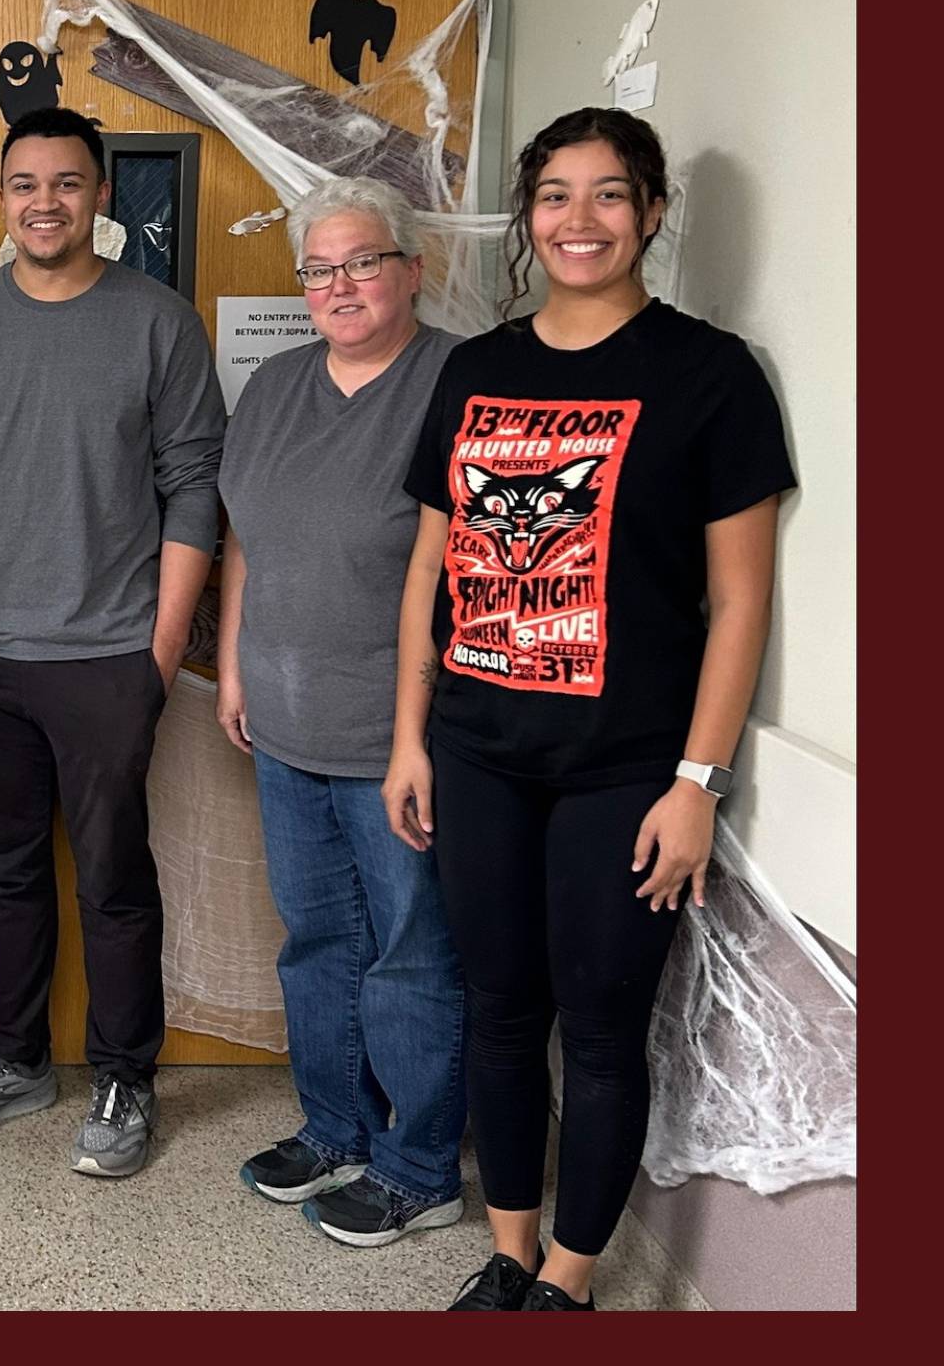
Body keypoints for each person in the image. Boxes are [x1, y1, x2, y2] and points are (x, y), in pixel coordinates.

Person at [386, 108, 794, 1311]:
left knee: (602, 1029)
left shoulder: (707, 375)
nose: (577, 221)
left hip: (625, 769)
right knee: (500, 1012)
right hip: (474, 752)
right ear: (527, 218)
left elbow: (737, 604)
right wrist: (407, 739)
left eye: (608, 195)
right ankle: (508, 1255)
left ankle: (568, 1280)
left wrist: (696, 785)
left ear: (651, 214)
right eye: (553, 196)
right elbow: (429, 571)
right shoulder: (477, 367)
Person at [0, 106, 226, 1177]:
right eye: (23, 184)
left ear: (100, 197)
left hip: (107, 654)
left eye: (65, 183)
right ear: (2, 200)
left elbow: (194, 486)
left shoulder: (158, 322)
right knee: (2, 871)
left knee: (110, 876)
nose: (42, 202)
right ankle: (13, 1061)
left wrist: (160, 645)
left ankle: (123, 1076)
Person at [216, 176, 468, 1246]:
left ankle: (419, 1166)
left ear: (412, 267)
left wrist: (414, 737)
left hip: (396, 738)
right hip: (280, 723)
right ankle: (336, 1131)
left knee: (411, 951)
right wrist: (231, 667)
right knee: (316, 940)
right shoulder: (273, 387)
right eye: (317, 269)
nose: (338, 286)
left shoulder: (456, 380)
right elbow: (242, 538)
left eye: (361, 261)